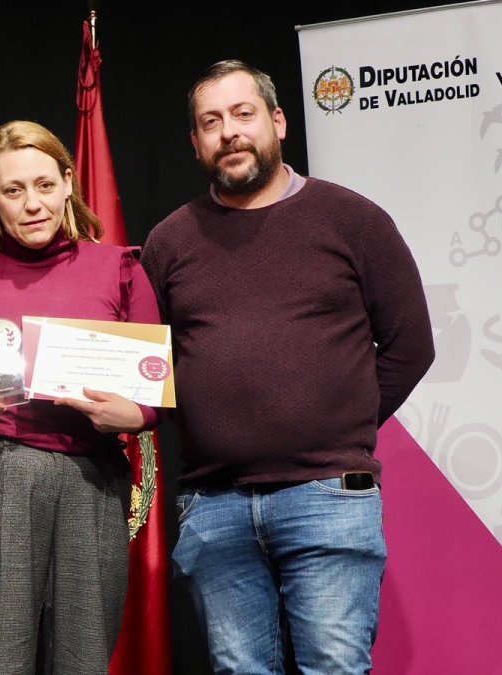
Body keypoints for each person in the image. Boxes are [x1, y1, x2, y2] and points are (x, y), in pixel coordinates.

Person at [141, 60, 435, 674]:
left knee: (333, 667)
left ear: (277, 122)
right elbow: (150, 365)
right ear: (195, 143)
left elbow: (409, 346)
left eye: (244, 115)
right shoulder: (169, 242)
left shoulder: (353, 220)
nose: (230, 132)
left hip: (328, 494)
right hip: (214, 503)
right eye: (211, 122)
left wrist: (336, 425)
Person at [0, 120, 160, 675]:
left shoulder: (120, 271)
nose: (32, 204)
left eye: (45, 185)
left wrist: (137, 416)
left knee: (84, 656)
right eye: (14, 190)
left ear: (69, 183)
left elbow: (157, 390)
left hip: (92, 477)